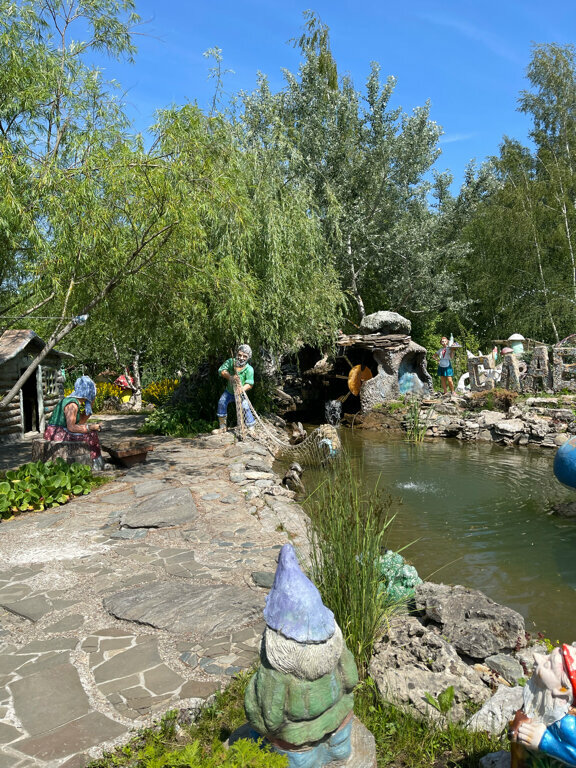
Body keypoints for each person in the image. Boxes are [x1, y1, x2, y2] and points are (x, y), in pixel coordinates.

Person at [510, 644, 576, 767]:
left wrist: (545, 741)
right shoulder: (542, 708)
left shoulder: (567, 725)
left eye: (547, 664)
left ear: (563, 690)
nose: (536, 656)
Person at [44, 375, 104, 468]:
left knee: (92, 433)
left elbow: (80, 422)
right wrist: (89, 428)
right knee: (91, 435)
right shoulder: (72, 404)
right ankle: (94, 465)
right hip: (57, 432)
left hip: (61, 430)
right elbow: (71, 427)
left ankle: (96, 462)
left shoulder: (75, 402)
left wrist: (90, 407)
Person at [213, 344, 255, 433]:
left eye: (244, 356)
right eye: (239, 355)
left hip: (241, 393)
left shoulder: (249, 369)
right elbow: (221, 371)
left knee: (245, 406)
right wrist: (230, 377)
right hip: (229, 391)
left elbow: (250, 384)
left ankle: (251, 427)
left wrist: (242, 389)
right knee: (222, 402)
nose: (241, 358)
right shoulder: (231, 362)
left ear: (248, 357)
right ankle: (222, 427)